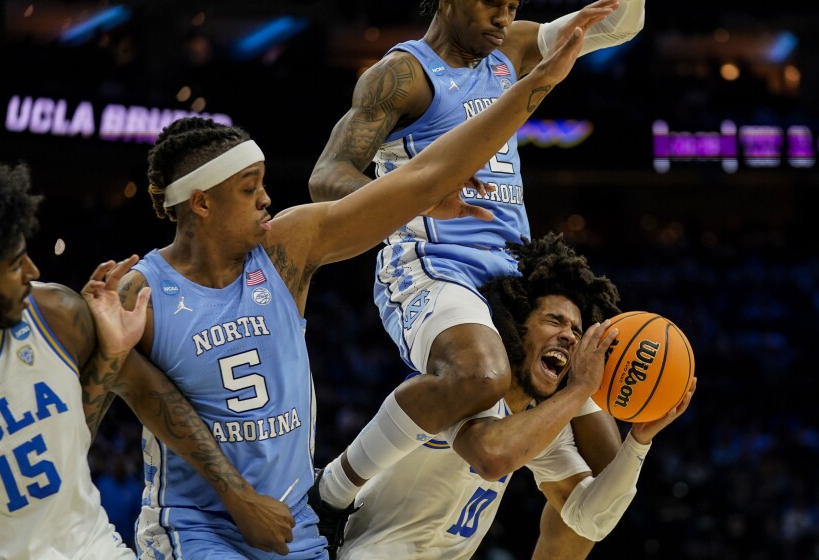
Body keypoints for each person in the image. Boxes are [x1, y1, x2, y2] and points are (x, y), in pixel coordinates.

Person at [114, 22, 588, 560]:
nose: (268, 199)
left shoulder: (287, 249)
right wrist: (236, 496)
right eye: (250, 190)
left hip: (297, 527)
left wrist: (528, 92)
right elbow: (142, 395)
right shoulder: (140, 291)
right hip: (197, 530)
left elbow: (420, 177)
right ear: (200, 204)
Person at [307, 0, 646, 555]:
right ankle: (332, 493)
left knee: (608, 466)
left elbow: (620, 24)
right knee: (480, 377)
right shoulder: (402, 75)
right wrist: (413, 201)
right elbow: (326, 179)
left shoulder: (510, 48)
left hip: (513, 282)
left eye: (513, 6)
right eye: (493, 3)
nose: (504, 17)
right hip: (432, 263)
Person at [0, 156, 278, 559]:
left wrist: (111, 354)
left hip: (93, 546)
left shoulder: (56, 316)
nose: (32, 270)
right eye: (15, 264)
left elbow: (77, 437)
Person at [336, 232, 697, 559]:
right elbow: (492, 456)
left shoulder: (542, 425)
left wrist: (639, 439)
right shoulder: (466, 384)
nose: (571, 336)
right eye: (555, 321)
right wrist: (581, 387)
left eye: (577, 330)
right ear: (514, 326)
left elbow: (590, 523)